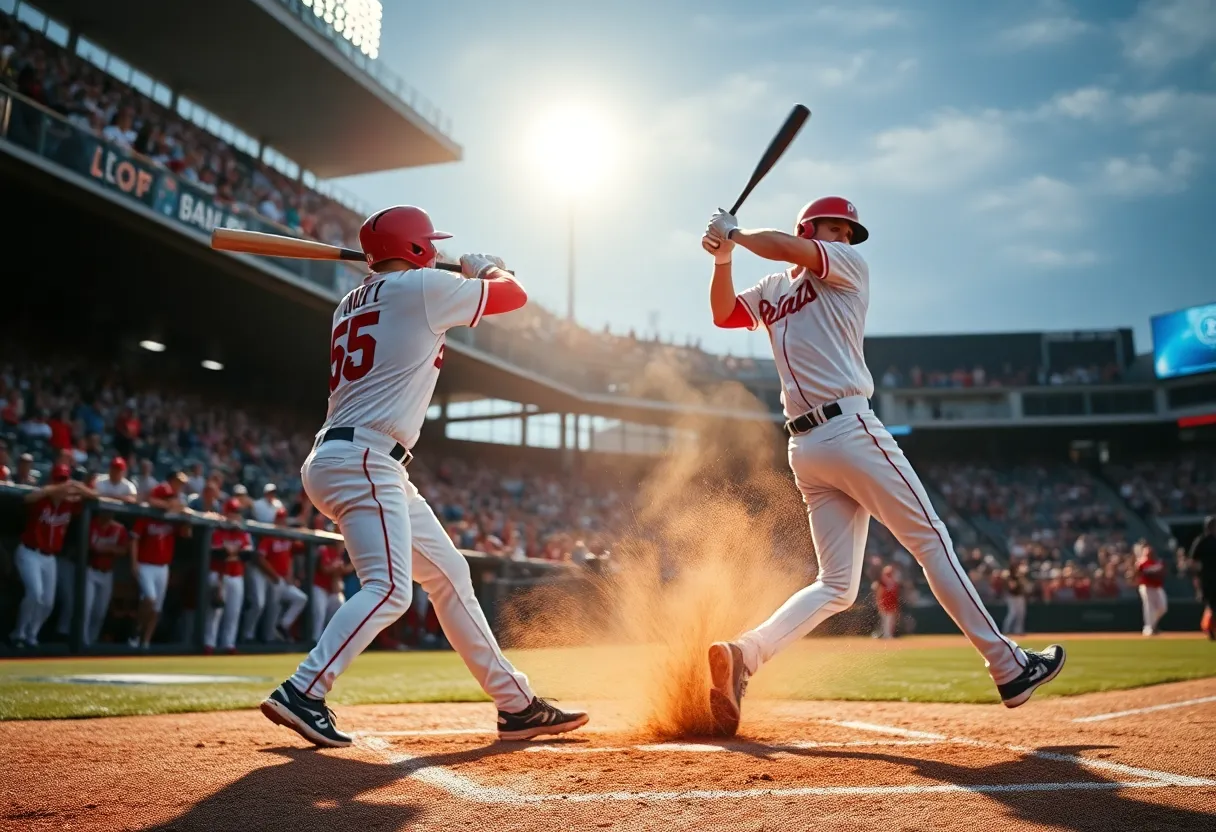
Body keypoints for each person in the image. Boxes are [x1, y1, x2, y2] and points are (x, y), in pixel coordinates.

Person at [699, 198, 1065, 736]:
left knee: (838, 586)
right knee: (932, 542)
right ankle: (1009, 667)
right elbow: (723, 312)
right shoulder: (775, 288)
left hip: (812, 446)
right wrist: (722, 258)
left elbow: (781, 246)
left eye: (848, 231)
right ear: (811, 226)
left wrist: (736, 233)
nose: (845, 238)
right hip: (846, 431)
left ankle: (744, 655)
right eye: (835, 228)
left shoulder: (846, 265)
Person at [260, 205, 588, 747]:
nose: (435, 250)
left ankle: (516, 704)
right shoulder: (420, 287)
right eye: (428, 245)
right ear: (413, 248)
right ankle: (304, 691)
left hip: (355, 458)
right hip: (364, 459)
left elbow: (417, 296)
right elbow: (514, 296)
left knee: (450, 574)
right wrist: (485, 270)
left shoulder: (353, 301)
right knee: (389, 590)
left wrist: (461, 275)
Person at [8, 465, 94, 648]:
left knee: (47, 602)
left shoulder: (69, 503)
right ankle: (19, 633)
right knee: (35, 594)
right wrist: (53, 489)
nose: (62, 485)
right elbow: (25, 498)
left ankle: (32, 634)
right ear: (51, 481)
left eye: (64, 480)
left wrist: (77, 486)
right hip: (29, 552)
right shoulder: (41, 498)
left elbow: (94, 497)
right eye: (58, 480)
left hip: (49, 557)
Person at [128, 483, 181, 650]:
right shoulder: (146, 514)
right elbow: (134, 538)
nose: (168, 501)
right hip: (146, 564)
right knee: (149, 600)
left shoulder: (172, 516)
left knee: (157, 609)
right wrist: (133, 563)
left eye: (169, 497)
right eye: (164, 497)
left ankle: (146, 642)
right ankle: (136, 631)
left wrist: (175, 508)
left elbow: (186, 529)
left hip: (162, 567)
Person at [204, 499, 253, 655]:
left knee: (234, 611)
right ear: (226, 512)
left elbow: (247, 555)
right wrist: (233, 553)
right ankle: (209, 643)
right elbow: (219, 554)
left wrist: (231, 553)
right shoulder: (218, 531)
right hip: (219, 574)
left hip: (237, 574)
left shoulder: (243, 532)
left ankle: (228, 643)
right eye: (233, 512)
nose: (236, 515)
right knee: (215, 611)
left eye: (238, 512)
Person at [255, 508, 309, 641]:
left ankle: (283, 625)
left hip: (284, 580)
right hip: (271, 579)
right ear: (275, 520)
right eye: (279, 519)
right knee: (273, 608)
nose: (281, 521)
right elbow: (259, 557)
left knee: (301, 598)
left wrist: (290, 575)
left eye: (283, 519)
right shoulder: (269, 535)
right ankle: (267, 637)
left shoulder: (287, 536)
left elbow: (293, 553)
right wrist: (274, 576)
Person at [83, 509, 128, 646]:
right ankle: (82, 641)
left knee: (100, 611)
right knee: (86, 608)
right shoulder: (91, 524)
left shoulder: (119, 528)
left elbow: (124, 550)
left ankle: (92, 640)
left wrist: (107, 548)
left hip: (107, 572)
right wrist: (111, 548)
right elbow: (92, 547)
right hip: (90, 570)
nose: (108, 515)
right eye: (105, 512)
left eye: (110, 513)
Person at [1190, 517, 1216, 640]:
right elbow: (1193, 561)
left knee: (1212, 605)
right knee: (1211, 604)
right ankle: (1210, 629)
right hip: (1207, 578)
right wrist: (1197, 578)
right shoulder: (1202, 541)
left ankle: (1210, 628)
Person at [1136, 543, 1168, 636]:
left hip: (1157, 587)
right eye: (1148, 552)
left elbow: (1163, 573)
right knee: (1149, 608)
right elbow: (1139, 572)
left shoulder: (1158, 562)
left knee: (1163, 608)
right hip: (1146, 587)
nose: (1150, 554)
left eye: (1151, 552)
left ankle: (1152, 625)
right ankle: (1148, 628)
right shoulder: (1142, 563)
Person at [873, 564, 900, 639]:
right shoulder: (882, 582)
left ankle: (887, 634)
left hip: (891, 603)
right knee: (885, 620)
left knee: (889, 620)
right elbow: (878, 591)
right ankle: (885, 634)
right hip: (884, 603)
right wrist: (878, 602)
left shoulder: (894, 581)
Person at [1002, 566, 1029, 636]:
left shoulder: (1018, 577)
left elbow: (1025, 585)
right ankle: (1006, 630)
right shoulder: (1011, 577)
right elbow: (1012, 586)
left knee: (1021, 614)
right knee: (1012, 614)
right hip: (1012, 597)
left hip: (1019, 596)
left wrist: (1021, 578)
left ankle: (1019, 631)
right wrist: (1019, 579)